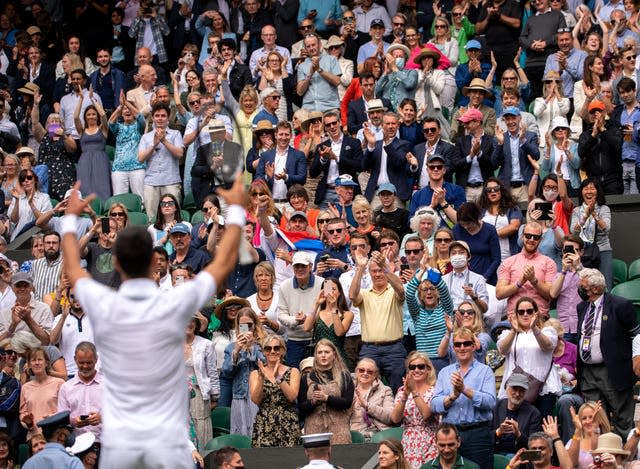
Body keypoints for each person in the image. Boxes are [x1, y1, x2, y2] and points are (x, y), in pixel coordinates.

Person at [60, 173, 245, 467]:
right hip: (168, 445)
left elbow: (72, 265)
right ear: (153, 262)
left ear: (116, 262)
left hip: (122, 448)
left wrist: (70, 218)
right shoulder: (174, 303)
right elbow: (223, 263)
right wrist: (236, 210)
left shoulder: (102, 303)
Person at [575, 268, 640, 438]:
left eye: (583, 286)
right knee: (594, 420)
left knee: (622, 420)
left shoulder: (620, 305)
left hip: (613, 371)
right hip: (588, 372)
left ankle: (626, 459)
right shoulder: (582, 307)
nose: (579, 288)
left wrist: (636, 357)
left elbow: (636, 334)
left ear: (595, 288)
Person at [431, 327, 497, 469]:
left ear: (474, 346)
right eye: (457, 344)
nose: (462, 348)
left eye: (466, 344)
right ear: (453, 348)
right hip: (451, 435)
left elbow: (490, 402)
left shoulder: (485, 371)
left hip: (478, 434)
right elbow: (434, 405)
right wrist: (452, 396)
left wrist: (464, 390)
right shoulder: (444, 372)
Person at [350, 247, 406, 393]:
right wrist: (360, 268)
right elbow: (352, 296)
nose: (378, 274)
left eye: (380, 270)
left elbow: (401, 289)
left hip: (394, 349)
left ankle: (397, 416)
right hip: (370, 348)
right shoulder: (364, 293)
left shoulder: (393, 291)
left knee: (398, 389)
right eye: (374, 271)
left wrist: (386, 268)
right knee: (364, 388)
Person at [497, 297, 559, 417]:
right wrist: (514, 331)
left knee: (543, 426)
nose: (525, 314)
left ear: (535, 313)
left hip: (542, 387)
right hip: (517, 387)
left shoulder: (547, 331)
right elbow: (503, 350)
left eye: (529, 311)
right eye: (521, 312)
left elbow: (547, 346)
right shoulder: (508, 334)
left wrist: (534, 327)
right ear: (516, 315)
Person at [298, 339, 354, 445]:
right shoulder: (307, 377)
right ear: (316, 356)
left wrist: (327, 398)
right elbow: (301, 406)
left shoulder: (345, 376)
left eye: (327, 352)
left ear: (334, 355)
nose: (323, 355)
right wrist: (313, 402)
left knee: (340, 458)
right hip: (314, 426)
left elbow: (347, 402)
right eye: (320, 352)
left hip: (339, 426)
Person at [496, 223, 557, 318]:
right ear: (522, 237)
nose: (532, 239)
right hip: (514, 317)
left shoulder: (549, 263)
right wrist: (519, 282)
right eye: (528, 236)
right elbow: (499, 294)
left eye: (536, 237)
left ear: (540, 240)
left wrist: (534, 280)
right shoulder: (508, 262)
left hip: (539, 317)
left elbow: (551, 294)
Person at [249, 334, 300, 447]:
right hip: (264, 421)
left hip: (288, 421)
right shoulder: (255, 374)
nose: (272, 351)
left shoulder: (293, 371)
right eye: (268, 348)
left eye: (276, 348)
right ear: (263, 351)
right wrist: (261, 378)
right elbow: (256, 400)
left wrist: (278, 377)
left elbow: (292, 397)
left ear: (283, 350)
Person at [391, 351, 438, 469]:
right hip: (409, 440)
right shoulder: (402, 391)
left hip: (430, 438)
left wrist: (414, 391)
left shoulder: (435, 391)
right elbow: (395, 418)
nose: (416, 370)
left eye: (421, 366)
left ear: (428, 370)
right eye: (412, 367)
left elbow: (426, 414)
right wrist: (405, 395)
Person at [137, 103, 184, 221]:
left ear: (168, 118)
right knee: (152, 218)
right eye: (157, 115)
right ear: (152, 118)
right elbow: (140, 158)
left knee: (173, 217)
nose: (160, 118)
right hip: (151, 182)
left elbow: (179, 154)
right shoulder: (146, 137)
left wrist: (164, 141)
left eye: (163, 116)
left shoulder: (175, 134)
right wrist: (154, 144)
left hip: (171, 181)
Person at [277, 251, 324, 369]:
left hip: (319, 339)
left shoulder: (325, 283)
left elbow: (331, 307)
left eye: (303, 266)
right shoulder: (284, 286)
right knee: (294, 375)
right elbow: (281, 314)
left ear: (310, 266)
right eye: (296, 266)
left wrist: (308, 318)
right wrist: (296, 320)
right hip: (294, 340)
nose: (300, 269)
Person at [570, 178, 613, 291]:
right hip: (583, 252)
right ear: (581, 192)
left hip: (602, 249)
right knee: (585, 287)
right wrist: (584, 216)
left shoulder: (604, 209)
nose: (589, 191)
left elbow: (606, 229)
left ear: (598, 191)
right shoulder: (576, 210)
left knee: (605, 285)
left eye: (592, 188)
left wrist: (594, 214)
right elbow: (574, 232)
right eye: (586, 188)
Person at [184, 315, 218, 451]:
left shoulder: (206, 344)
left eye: (193, 321)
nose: (189, 323)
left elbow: (213, 372)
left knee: (199, 428)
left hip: (199, 394)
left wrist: (215, 396)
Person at [57, 342, 102, 441]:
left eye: (89, 362)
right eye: (81, 363)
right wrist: (74, 422)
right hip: (76, 443)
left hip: (104, 443)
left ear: (96, 360)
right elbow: (61, 419)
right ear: (75, 360)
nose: (85, 366)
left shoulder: (107, 386)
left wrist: (102, 418)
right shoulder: (66, 387)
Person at [19, 347, 65, 439]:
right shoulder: (25, 387)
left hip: (56, 436)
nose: (37, 363)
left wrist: (53, 417)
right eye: (33, 360)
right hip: (34, 438)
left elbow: (65, 409)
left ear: (46, 363)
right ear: (29, 365)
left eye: (40, 359)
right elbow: (22, 413)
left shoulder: (59, 383)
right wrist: (28, 423)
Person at [304, 278, 354, 361]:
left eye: (333, 289)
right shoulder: (318, 313)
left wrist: (334, 308)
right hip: (320, 356)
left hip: (338, 356)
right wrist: (316, 304)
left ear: (339, 292)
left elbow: (339, 332)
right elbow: (306, 328)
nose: (330, 292)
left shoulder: (347, 314)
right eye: (328, 289)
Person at [74, 92, 111, 201]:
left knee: (102, 187)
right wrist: (81, 98)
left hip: (101, 160)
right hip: (84, 161)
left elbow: (104, 115)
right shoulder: (82, 131)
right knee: (85, 187)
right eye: (88, 114)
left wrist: (93, 100)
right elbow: (76, 116)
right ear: (85, 117)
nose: (91, 116)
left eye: (93, 114)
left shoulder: (103, 130)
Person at [453, 202, 501, 285]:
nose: (465, 227)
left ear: (476, 218)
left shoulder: (490, 230)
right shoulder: (457, 229)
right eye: (462, 224)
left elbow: (496, 259)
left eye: (468, 223)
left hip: (487, 278)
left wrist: (485, 277)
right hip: (463, 278)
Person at [493, 373, 542, 454]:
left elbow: (534, 448)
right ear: (506, 388)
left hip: (519, 456)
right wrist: (499, 432)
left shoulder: (533, 413)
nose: (517, 394)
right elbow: (486, 436)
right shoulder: (496, 407)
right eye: (514, 389)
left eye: (521, 390)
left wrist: (518, 434)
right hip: (495, 453)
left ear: (526, 392)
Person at [477, 178, 523, 262]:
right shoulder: (480, 210)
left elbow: (514, 226)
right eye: (489, 190)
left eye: (496, 188)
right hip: (486, 256)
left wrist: (492, 235)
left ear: (501, 190)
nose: (493, 191)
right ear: (485, 193)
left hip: (507, 256)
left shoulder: (512, 208)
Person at [350, 358, 394, 440]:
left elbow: (390, 417)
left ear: (375, 375)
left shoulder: (385, 390)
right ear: (356, 372)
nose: (365, 373)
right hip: (354, 436)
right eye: (361, 370)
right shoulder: (348, 389)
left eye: (369, 372)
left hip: (378, 435)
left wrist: (367, 406)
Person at [296, 33, 342, 112]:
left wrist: (319, 70)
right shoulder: (302, 66)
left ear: (320, 44)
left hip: (329, 107)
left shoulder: (331, 60)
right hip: (309, 109)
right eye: (308, 46)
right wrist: (310, 74)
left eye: (313, 45)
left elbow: (337, 81)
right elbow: (299, 92)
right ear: (305, 49)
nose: (311, 48)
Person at [567, 401, 612, 469]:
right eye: (584, 418)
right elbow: (570, 465)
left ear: (600, 419)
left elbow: (598, 458)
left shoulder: (609, 441)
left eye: (591, 417)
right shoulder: (573, 441)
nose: (588, 421)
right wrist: (578, 430)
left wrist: (595, 427)